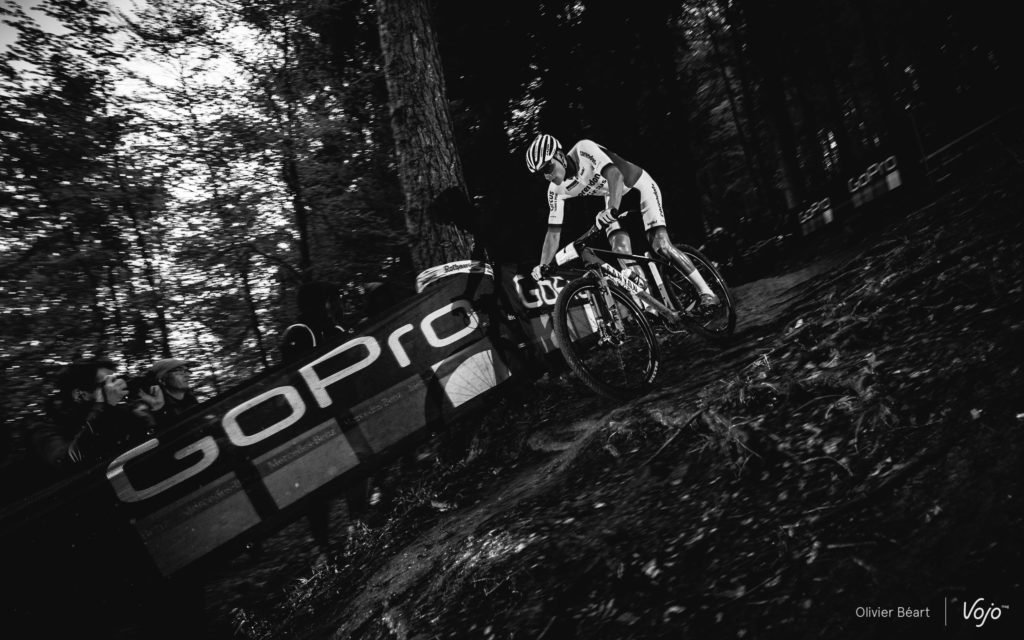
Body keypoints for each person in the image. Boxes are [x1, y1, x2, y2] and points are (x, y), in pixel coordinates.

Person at [525, 133, 720, 313]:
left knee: (661, 246)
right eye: (541, 173)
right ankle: (652, 309)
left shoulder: (583, 149)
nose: (547, 176)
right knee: (620, 251)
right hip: (613, 199)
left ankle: (707, 292)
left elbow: (615, 175)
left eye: (548, 168)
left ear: (560, 156)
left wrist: (611, 208)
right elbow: (553, 233)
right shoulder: (555, 191)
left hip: (638, 187)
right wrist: (543, 265)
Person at [281, 280, 373, 556]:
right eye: (331, 300)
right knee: (320, 481)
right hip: (314, 420)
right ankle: (321, 545)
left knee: (360, 462)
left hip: (344, 411)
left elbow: (350, 366)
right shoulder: (298, 332)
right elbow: (295, 377)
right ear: (319, 303)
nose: (336, 305)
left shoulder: (336, 329)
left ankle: (358, 523)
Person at [32, 358, 159, 474]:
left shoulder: (115, 412)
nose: (115, 387)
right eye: (107, 383)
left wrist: (158, 409)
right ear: (80, 395)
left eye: (115, 380)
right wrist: (104, 407)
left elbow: (150, 442)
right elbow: (69, 461)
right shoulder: (45, 430)